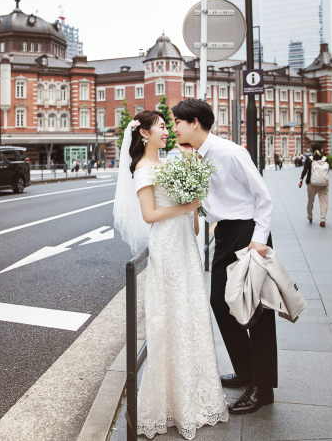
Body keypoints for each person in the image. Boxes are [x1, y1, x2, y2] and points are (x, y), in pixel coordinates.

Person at [113, 110, 228, 438]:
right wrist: (188, 207)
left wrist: (196, 206)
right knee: (171, 322)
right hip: (166, 249)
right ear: (145, 134)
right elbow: (150, 215)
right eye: (162, 126)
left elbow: (194, 211)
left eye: (167, 126)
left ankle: (195, 396)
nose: (168, 131)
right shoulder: (143, 170)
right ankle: (170, 404)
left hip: (186, 246)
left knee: (191, 318)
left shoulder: (170, 164)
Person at [173, 99, 277, 415]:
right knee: (220, 302)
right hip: (224, 232)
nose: (174, 127)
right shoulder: (196, 157)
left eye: (177, 121)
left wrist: (259, 240)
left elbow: (264, 198)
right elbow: (209, 205)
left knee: (256, 311)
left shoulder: (231, 153)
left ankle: (262, 388)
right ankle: (246, 371)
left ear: (194, 122)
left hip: (248, 234)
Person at [299, 143, 329, 227]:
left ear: (312, 150)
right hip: (323, 183)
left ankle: (310, 216)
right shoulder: (325, 159)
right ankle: (322, 219)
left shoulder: (310, 159)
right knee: (324, 202)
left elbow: (305, 170)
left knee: (310, 200)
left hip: (312, 183)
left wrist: (301, 179)